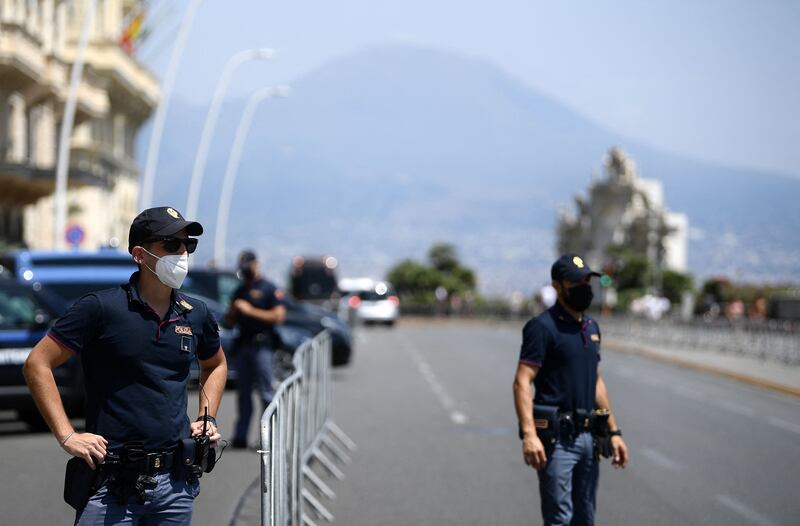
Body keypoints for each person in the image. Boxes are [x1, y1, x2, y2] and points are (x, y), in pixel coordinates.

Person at [23, 206, 227, 525]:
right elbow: (37, 364)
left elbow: (215, 364)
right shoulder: (101, 308)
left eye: (188, 245)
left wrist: (207, 417)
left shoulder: (196, 314)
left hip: (175, 485)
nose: (183, 253)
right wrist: (67, 435)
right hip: (111, 486)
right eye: (171, 245)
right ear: (140, 255)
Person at [513, 254, 629, 526]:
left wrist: (614, 431)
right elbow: (522, 381)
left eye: (587, 280)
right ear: (557, 286)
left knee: (585, 518)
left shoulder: (591, 328)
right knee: (560, 519)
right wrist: (529, 435)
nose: (584, 286)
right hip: (557, 443)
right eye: (576, 281)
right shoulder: (542, 328)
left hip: (589, 438)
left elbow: (596, 381)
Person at [225, 250, 286, 448]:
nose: (246, 271)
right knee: (243, 395)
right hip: (244, 346)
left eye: (249, 266)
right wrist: (233, 311)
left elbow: (278, 316)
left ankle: (268, 438)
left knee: (266, 393)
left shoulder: (268, 288)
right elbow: (228, 322)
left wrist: (251, 311)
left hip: (263, 347)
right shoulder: (240, 290)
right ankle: (241, 436)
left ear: (256, 264)